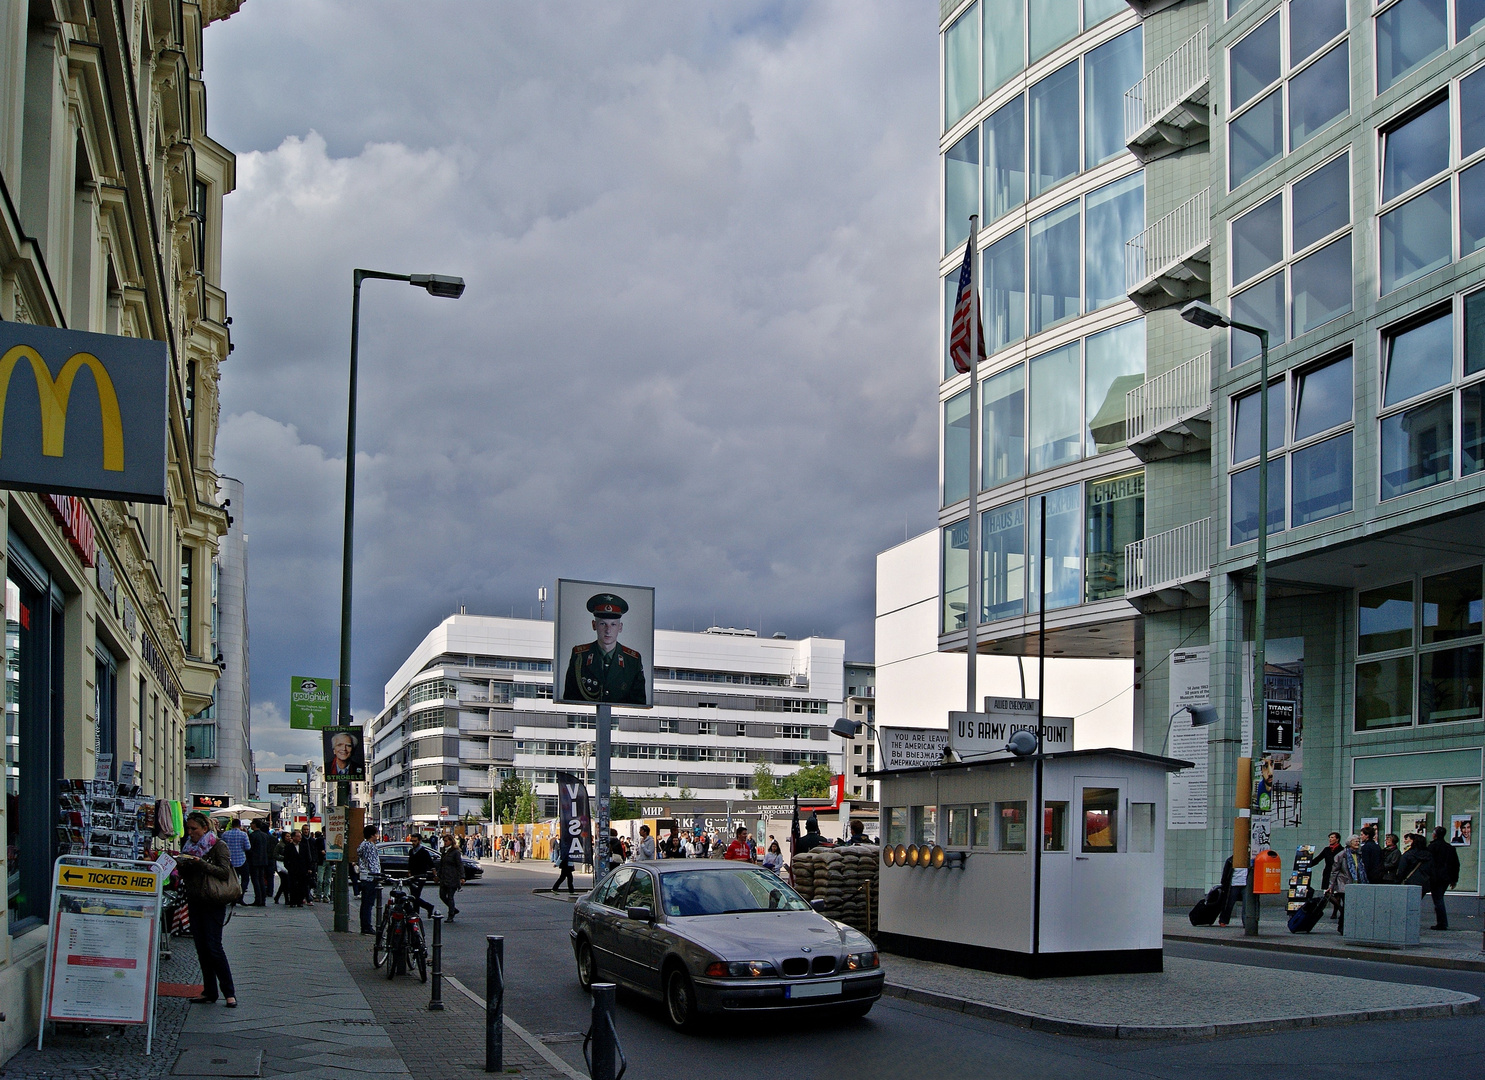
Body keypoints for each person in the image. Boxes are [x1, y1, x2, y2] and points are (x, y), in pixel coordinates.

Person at [176, 812, 238, 1007]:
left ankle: (229, 992)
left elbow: (224, 872)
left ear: (205, 828)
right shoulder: (188, 847)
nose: (190, 832)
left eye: (194, 829)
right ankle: (209, 991)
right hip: (195, 900)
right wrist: (181, 864)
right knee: (202, 948)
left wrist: (200, 863)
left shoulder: (218, 845)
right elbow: (186, 875)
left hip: (213, 901)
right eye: (188, 829)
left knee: (213, 947)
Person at [563, 593, 646, 704]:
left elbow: (638, 704)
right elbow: (570, 699)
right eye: (603, 624)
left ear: (620, 627)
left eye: (613, 624)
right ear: (594, 625)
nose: (608, 630)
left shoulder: (632, 660)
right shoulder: (579, 656)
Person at [1328, 835, 1366, 934]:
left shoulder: (1359, 854)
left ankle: (1348, 927)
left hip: (1356, 884)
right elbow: (1334, 872)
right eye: (1355, 841)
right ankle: (1342, 927)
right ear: (1349, 843)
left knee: (1353, 907)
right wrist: (1331, 886)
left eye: (1358, 841)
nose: (1357, 843)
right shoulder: (1341, 855)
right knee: (1347, 907)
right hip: (1345, 884)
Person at [1427, 826, 1460, 930]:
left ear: (1435, 835)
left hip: (1435, 877)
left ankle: (1442, 923)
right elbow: (1455, 864)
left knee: (1438, 900)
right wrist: (1454, 879)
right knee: (1439, 898)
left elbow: (1429, 862)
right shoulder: (1450, 848)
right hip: (1446, 877)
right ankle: (1442, 922)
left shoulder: (1432, 847)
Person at [357, 827, 382, 935]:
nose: (377, 835)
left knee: (365, 904)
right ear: (372, 835)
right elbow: (372, 862)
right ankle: (367, 926)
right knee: (368, 904)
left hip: (364, 876)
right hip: (370, 877)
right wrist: (378, 875)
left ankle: (365, 925)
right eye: (376, 833)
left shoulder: (363, 845)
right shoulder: (370, 846)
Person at [219, 818, 250, 904]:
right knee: (245, 879)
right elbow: (248, 847)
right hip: (241, 860)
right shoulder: (243, 834)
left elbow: (222, 846)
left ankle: (232, 897)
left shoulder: (225, 834)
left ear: (232, 825)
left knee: (232, 880)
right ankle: (240, 896)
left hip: (229, 861)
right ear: (240, 825)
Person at [405, 834, 437, 916]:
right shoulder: (411, 851)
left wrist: (435, 876)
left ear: (419, 841)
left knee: (415, 896)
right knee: (413, 896)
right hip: (412, 876)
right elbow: (410, 863)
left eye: (415, 841)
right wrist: (409, 871)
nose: (413, 843)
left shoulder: (424, 852)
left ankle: (423, 909)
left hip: (421, 876)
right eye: (412, 841)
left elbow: (431, 864)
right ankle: (423, 909)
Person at [1312, 833, 1342, 919]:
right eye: (1329, 837)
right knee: (1327, 893)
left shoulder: (1341, 850)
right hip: (1328, 873)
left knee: (1337, 894)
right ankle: (1341, 909)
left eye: (1332, 837)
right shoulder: (1327, 850)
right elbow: (1318, 859)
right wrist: (1307, 864)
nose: (1330, 839)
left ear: (1337, 839)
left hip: (1337, 873)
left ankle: (1335, 912)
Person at [1398, 832, 1434, 898]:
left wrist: (1397, 882)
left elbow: (1401, 870)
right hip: (1424, 883)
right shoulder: (1429, 855)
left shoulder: (1408, 854)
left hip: (1409, 882)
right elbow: (1432, 870)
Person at [247, 819, 274, 906]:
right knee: (261, 879)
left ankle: (258, 899)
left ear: (254, 825)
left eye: (251, 823)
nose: (250, 825)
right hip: (263, 860)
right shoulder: (265, 835)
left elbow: (250, 849)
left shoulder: (252, 835)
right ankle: (263, 899)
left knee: (255, 880)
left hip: (254, 860)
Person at [438, 833, 463, 921]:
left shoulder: (455, 852)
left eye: (446, 841)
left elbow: (460, 865)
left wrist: (462, 877)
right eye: (444, 841)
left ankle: (451, 915)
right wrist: (438, 875)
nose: (445, 842)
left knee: (450, 896)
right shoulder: (444, 851)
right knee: (442, 895)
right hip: (444, 877)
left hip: (452, 877)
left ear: (451, 841)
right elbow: (441, 864)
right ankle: (453, 909)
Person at [1218, 855, 1242, 927]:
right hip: (1234, 884)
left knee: (1247, 904)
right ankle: (1223, 920)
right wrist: (1223, 883)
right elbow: (1226, 872)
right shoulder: (1230, 860)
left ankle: (1247, 922)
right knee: (1229, 903)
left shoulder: (1249, 860)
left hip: (1246, 884)